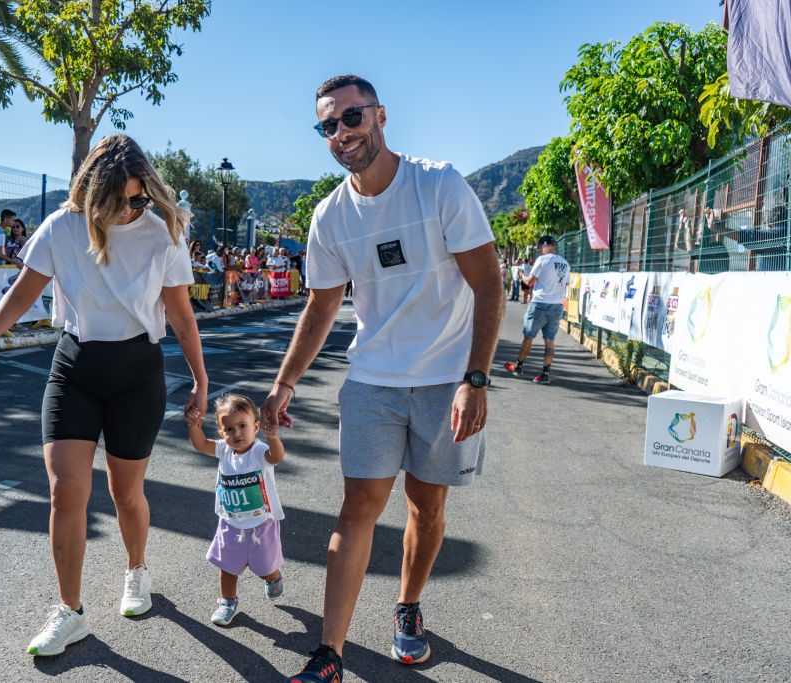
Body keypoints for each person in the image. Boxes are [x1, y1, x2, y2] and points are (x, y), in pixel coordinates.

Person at [262, 75, 503, 682]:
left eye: (352, 117)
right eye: (329, 126)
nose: (342, 133)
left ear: (381, 115)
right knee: (357, 508)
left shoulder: (438, 184)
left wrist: (475, 377)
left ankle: (408, 607)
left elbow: (489, 283)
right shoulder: (330, 216)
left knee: (426, 505)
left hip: (446, 379)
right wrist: (284, 383)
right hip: (373, 379)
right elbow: (320, 308)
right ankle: (330, 654)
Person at [0, 134, 208, 657]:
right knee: (65, 491)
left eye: (141, 199)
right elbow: (24, 290)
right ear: (95, 194)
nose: (132, 210)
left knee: (124, 492)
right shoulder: (62, 227)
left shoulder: (162, 234)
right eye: (123, 201)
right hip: (75, 366)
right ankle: (69, 612)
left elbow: (182, 316)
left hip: (138, 371)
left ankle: (136, 571)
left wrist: (201, 380)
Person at [185, 393, 286, 626]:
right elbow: (200, 444)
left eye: (243, 426)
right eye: (229, 429)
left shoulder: (259, 451)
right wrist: (194, 426)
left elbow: (276, 457)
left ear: (256, 426)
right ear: (221, 432)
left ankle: (273, 578)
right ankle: (227, 601)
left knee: (265, 568)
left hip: (262, 524)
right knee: (227, 567)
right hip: (230, 523)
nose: (236, 433)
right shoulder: (223, 450)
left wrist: (273, 438)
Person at [504, 235, 571, 385]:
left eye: (540, 247)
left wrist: (522, 276)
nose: (539, 250)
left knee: (529, 336)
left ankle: (518, 366)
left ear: (545, 245)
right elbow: (565, 285)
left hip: (540, 303)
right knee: (550, 341)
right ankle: (545, 374)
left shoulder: (543, 260)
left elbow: (529, 281)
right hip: (557, 305)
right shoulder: (565, 263)